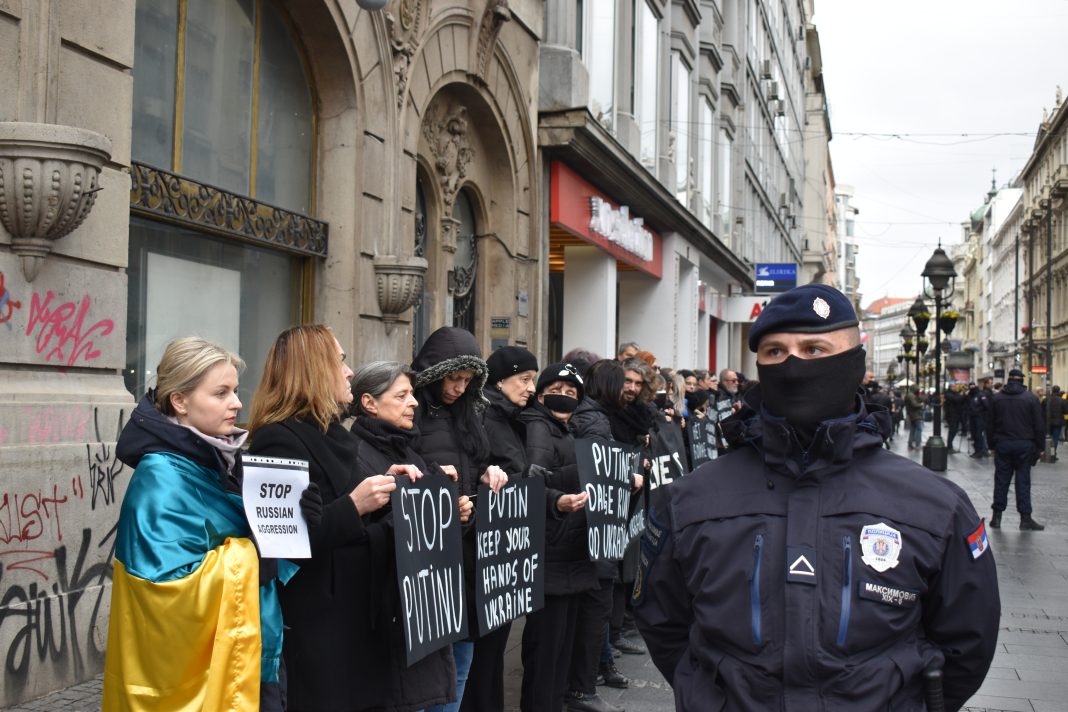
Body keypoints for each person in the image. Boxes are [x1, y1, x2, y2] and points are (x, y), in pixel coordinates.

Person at [633, 284, 999, 711]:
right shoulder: (689, 502)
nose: (791, 366)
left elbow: (967, 641)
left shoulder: (935, 506)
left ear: (854, 362)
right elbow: (664, 622)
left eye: (813, 350)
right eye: (774, 352)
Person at [246, 326, 454, 711]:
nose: (348, 371)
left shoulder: (327, 432)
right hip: (320, 622)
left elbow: (338, 501)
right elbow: (283, 540)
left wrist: (386, 485)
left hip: (356, 614)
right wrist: (356, 505)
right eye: (339, 361)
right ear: (312, 370)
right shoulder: (278, 438)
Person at [103, 337, 294, 711]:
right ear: (180, 401)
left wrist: (290, 518)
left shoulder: (218, 458)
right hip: (203, 683)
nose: (237, 404)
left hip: (253, 653)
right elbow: (167, 589)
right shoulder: (161, 478)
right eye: (221, 393)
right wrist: (257, 552)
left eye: (235, 391)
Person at [411, 326, 509, 712]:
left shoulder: (470, 413)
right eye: (453, 378)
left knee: (462, 661)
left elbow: (477, 459)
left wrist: (489, 472)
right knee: (429, 664)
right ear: (435, 373)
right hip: (430, 553)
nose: (458, 387)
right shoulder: (412, 411)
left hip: (467, 549)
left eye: (467, 380)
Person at [518, 363, 609, 712]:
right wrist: (567, 489)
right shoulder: (540, 428)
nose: (565, 396)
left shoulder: (563, 430)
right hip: (551, 554)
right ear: (541, 394)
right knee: (547, 652)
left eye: (572, 393)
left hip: (568, 553)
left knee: (559, 653)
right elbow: (534, 480)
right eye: (557, 389)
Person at [463, 346, 539, 712]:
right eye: (524, 380)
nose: (530, 388)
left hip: (505, 551)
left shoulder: (511, 416)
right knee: (484, 651)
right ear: (499, 380)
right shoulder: (488, 416)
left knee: (492, 650)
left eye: (533, 381)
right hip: (488, 549)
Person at [989, 368, 1047, 530]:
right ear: (1022, 380)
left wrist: (991, 445)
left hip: (1003, 443)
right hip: (1024, 444)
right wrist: (1040, 447)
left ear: (1009, 380)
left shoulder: (997, 398)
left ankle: (997, 517)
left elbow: (989, 424)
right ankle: (1025, 518)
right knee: (1023, 481)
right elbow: (1039, 425)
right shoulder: (1031, 399)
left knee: (1001, 480)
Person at [968, 377, 993, 458]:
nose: (972, 389)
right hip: (972, 417)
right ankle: (977, 450)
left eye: (973, 387)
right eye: (970, 387)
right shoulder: (970, 396)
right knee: (974, 435)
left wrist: (978, 411)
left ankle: (980, 451)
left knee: (979, 435)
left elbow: (986, 405)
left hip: (979, 418)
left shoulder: (980, 394)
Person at [1042, 384, 1065, 461]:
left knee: (1047, 437)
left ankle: (1046, 453)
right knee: (1055, 439)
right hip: (1058, 423)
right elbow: (1065, 411)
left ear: (1052, 390)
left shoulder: (1046, 399)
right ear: (1058, 391)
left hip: (1047, 422)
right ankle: (1053, 454)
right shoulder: (1062, 400)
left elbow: (1041, 410)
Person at [944, 382, 967, 452]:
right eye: (954, 387)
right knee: (952, 430)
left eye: (956, 387)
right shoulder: (948, 394)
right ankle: (949, 446)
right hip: (951, 415)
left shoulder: (956, 393)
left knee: (955, 430)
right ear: (951, 387)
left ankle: (950, 446)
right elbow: (957, 399)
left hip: (957, 414)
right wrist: (964, 395)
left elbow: (960, 399)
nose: (956, 388)